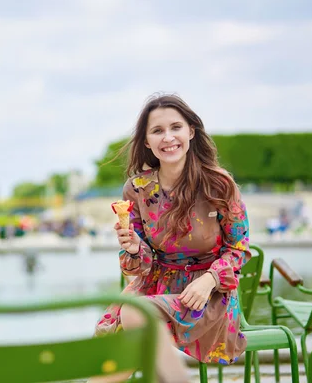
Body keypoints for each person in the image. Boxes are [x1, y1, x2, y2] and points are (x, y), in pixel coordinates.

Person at [93, 94, 251, 382]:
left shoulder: (219, 184)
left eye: (175, 127)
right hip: (155, 285)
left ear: (191, 131)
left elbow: (239, 249)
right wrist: (133, 248)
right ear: (146, 141)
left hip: (208, 296)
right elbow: (138, 267)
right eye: (157, 131)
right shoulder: (137, 189)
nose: (168, 137)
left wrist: (210, 280)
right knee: (125, 338)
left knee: (133, 319)